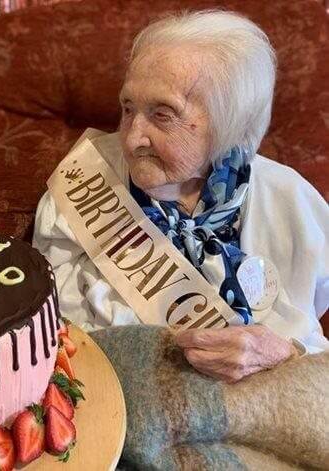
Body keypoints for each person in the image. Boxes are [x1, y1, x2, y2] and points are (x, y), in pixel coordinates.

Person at [34, 10, 328, 382]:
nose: (132, 137)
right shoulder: (78, 190)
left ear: (230, 125)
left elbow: (315, 350)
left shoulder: (292, 201)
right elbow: (55, 344)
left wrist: (287, 353)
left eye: (163, 114)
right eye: (128, 108)